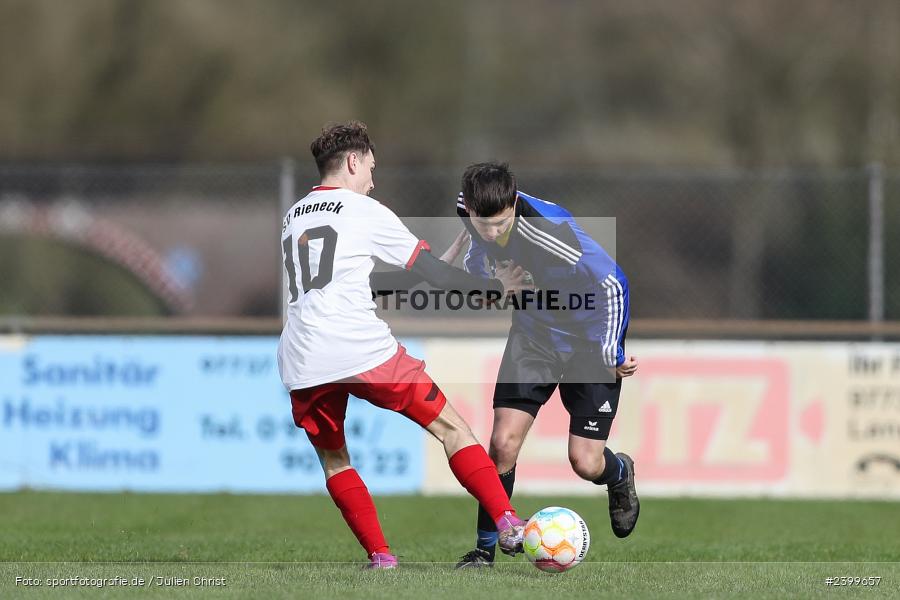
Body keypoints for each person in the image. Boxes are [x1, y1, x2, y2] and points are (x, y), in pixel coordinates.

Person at [277, 122, 530, 569]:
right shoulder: (364, 209)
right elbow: (435, 275)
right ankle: (508, 522)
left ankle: (380, 557)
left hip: (302, 356)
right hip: (362, 348)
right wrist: (494, 287)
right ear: (353, 162)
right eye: (371, 167)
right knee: (454, 430)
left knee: (335, 460)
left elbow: (363, 280)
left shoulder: (294, 215)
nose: (373, 179)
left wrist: (429, 267)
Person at [453, 162, 641, 569]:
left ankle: (619, 471)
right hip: (534, 334)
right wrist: (489, 284)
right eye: (483, 224)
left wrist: (610, 351)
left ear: (515, 204)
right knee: (502, 443)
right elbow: (476, 255)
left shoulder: (549, 231)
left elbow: (612, 283)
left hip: (587, 341)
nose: (492, 232)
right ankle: (484, 551)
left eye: (500, 223)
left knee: (585, 462)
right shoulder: (470, 210)